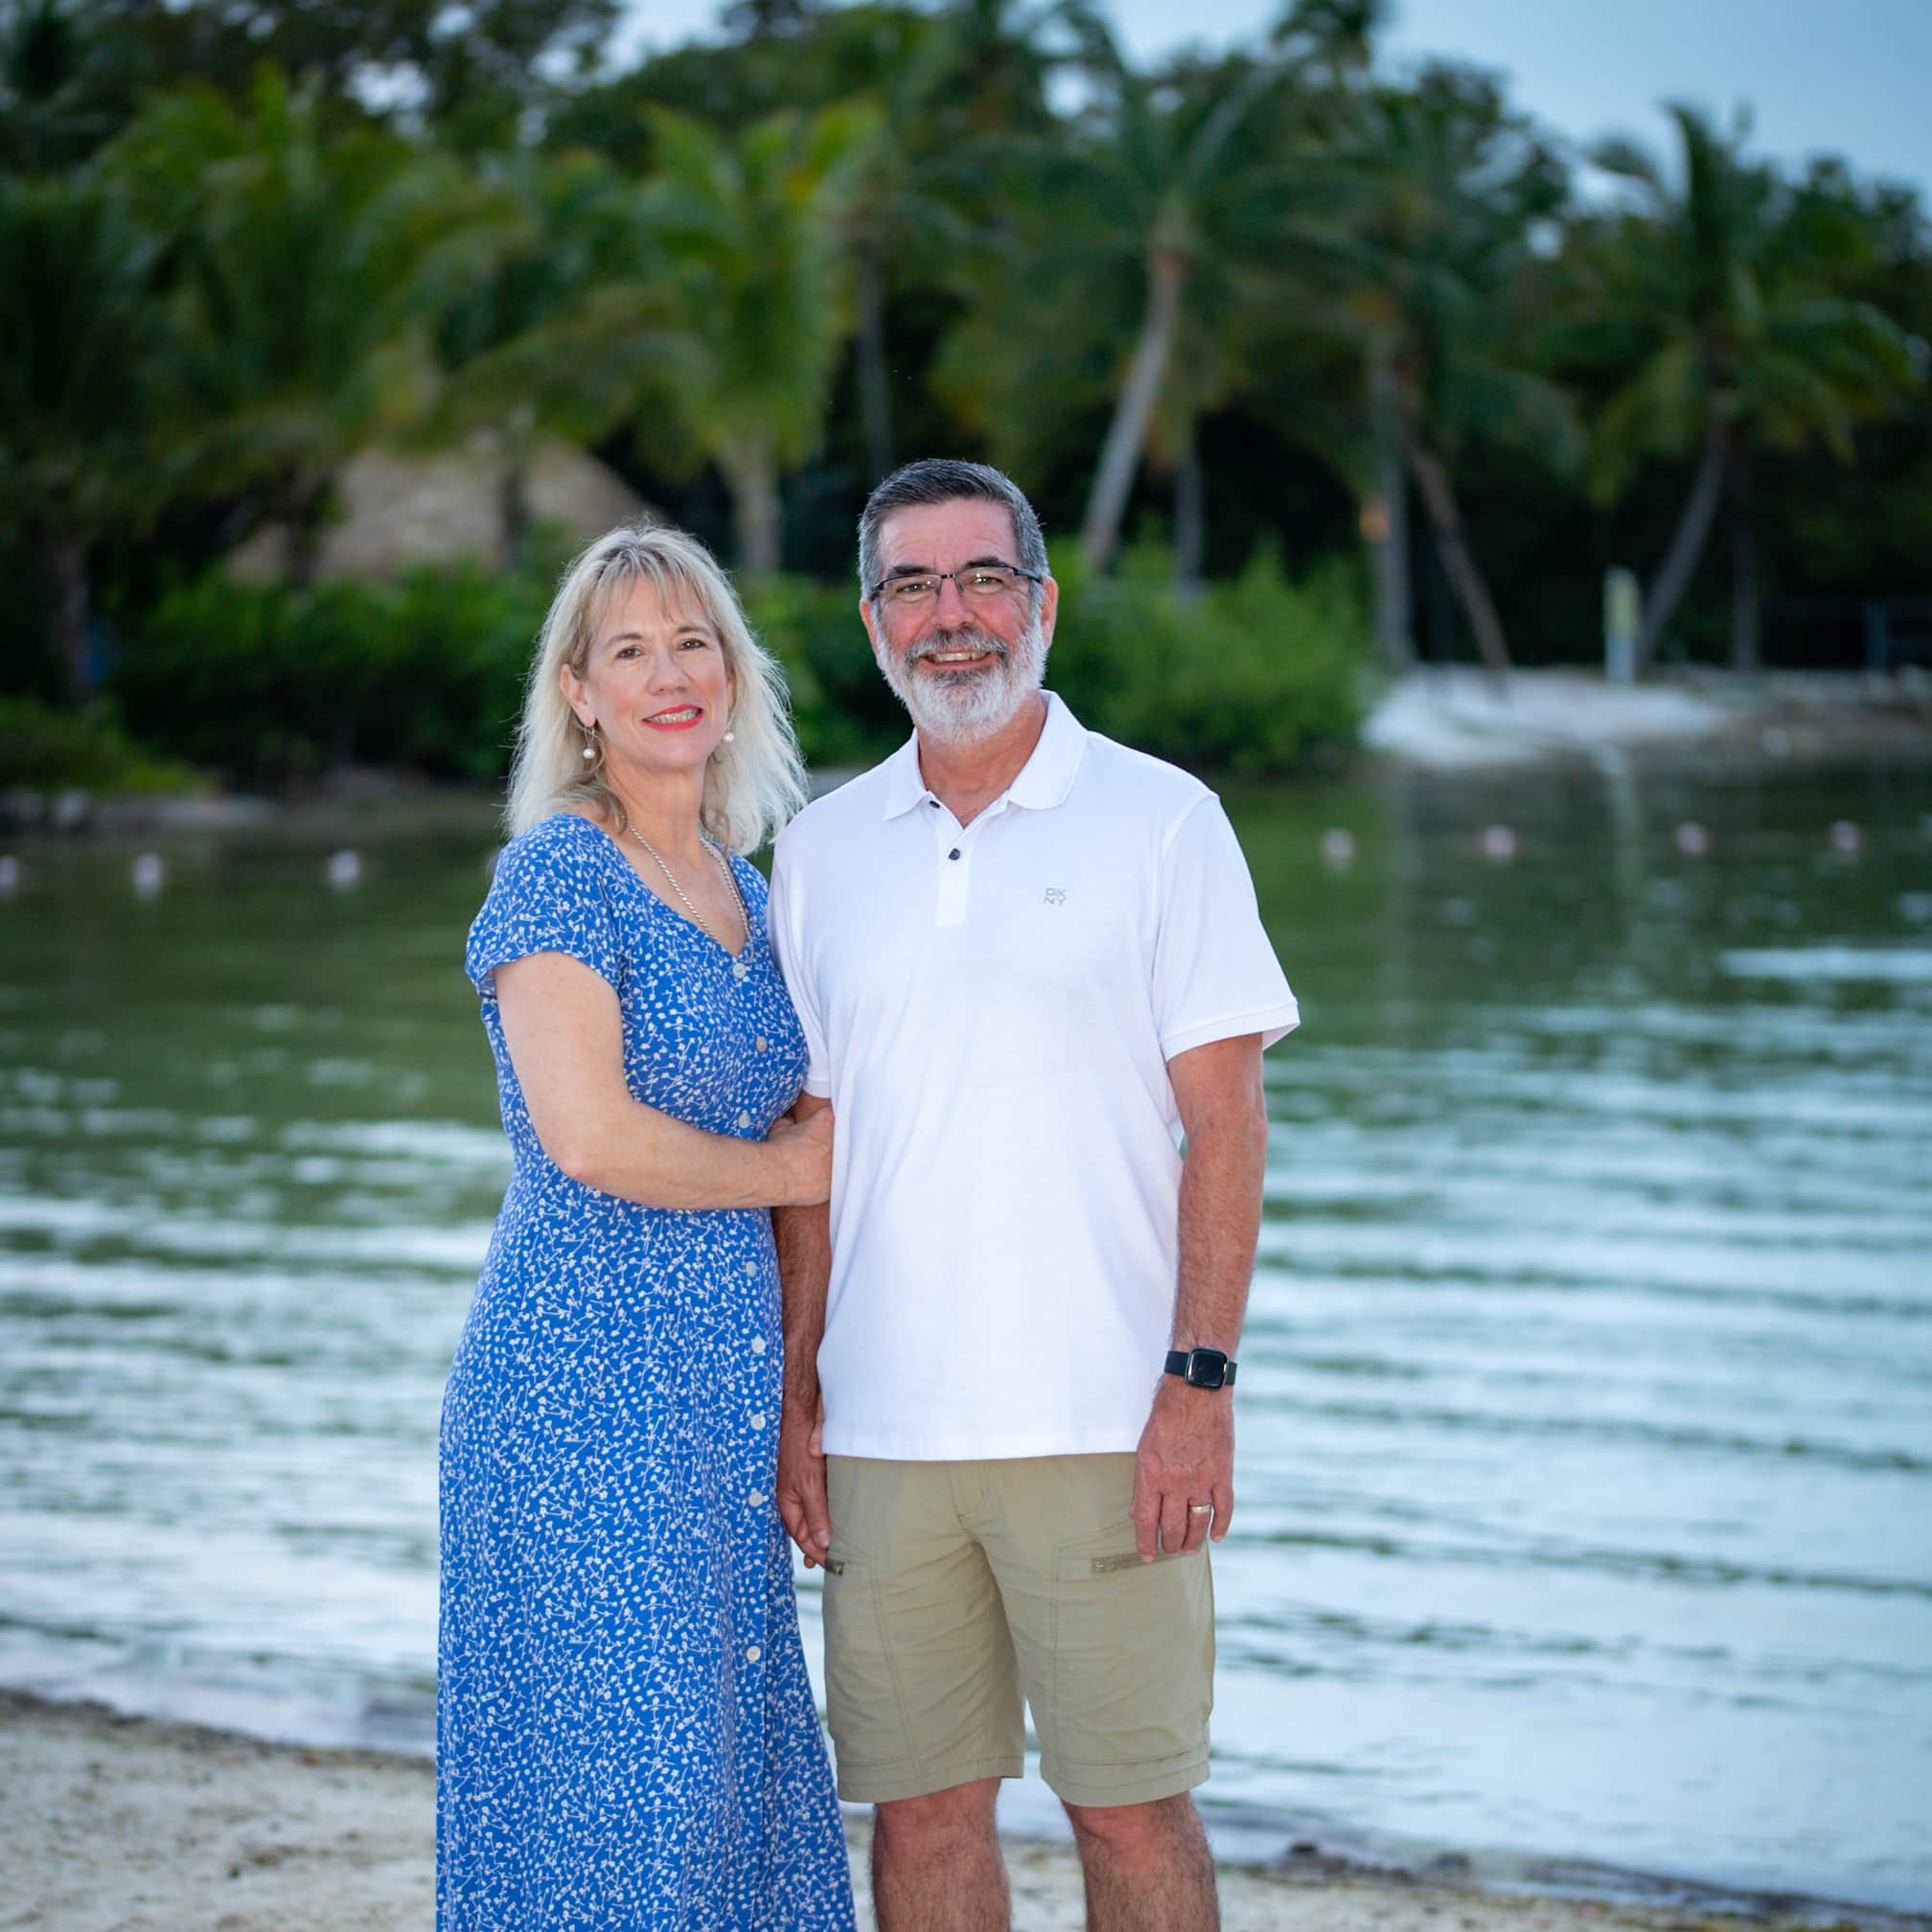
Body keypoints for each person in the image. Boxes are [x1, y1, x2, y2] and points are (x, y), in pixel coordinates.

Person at [767, 459, 1300, 1932]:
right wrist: (801, 1400)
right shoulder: (815, 856)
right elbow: (812, 1153)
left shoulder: (1163, 821)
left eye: (984, 579)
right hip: (882, 1432)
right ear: (873, 625)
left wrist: (1199, 1384)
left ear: (1044, 602)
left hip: (1105, 1419)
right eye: (915, 587)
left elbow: (1229, 1125)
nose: (955, 619)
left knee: (1130, 1806)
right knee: (922, 1810)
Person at [439, 522, 856, 1931]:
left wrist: (804, 1392)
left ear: (735, 676)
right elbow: (591, 1136)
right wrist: (800, 1176)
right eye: (631, 650)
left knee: (732, 1777)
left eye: (696, 644)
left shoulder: (755, 889)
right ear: (578, 692)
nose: (670, 675)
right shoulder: (557, 874)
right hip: (577, 1395)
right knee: (640, 1791)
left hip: (720, 1400)